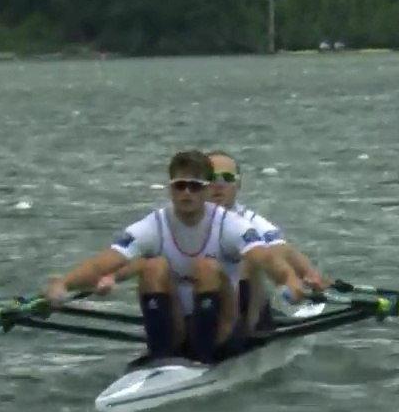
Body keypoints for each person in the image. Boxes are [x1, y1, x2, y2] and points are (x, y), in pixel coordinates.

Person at [43, 150, 307, 364]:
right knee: (153, 267)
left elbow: (265, 258)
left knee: (206, 267)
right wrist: (64, 284)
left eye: (195, 186)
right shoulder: (153, 225)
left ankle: (205, 357)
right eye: (180, 186)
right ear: (170, 189)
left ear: (206, 191)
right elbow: (107, 261)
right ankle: (162, 356)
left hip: (224, 329)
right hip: (180, 323)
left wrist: (288, 279)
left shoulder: (230, 224)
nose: (187, 193)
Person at [205, 150, 330, 335]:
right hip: (202, 308)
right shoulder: (179, 220)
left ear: (238, 184)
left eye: (226, 178)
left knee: (252, 257)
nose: (217, 185)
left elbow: (282, 249)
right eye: (210, 178)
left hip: (243, 314)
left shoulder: (249, 220)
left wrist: (308, 275)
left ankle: (245, 331)